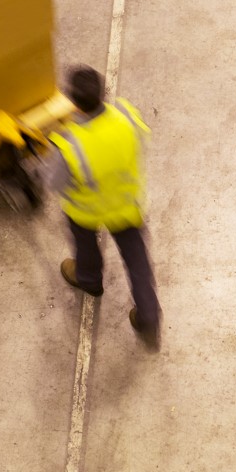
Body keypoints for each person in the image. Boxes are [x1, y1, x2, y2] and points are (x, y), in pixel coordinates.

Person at [49, 66, 161, 347]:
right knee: (137, 260)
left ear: (74, 103)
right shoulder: (125, 116)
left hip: (86, 213)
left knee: (85, 245)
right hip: (125, 206)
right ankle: (149, 318)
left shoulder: (70, 143)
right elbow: (142, 140)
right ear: (102, 93)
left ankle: (89, 280)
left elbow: (54, 183)